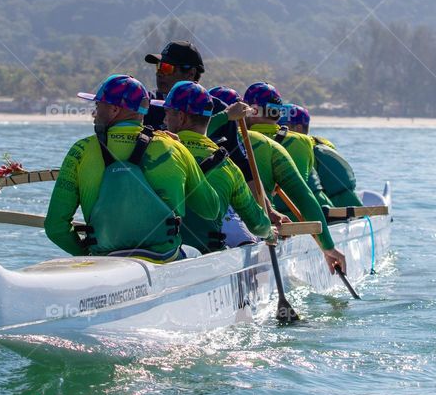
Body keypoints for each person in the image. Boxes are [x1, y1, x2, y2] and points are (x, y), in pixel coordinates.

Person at [44, 74, 221, 262]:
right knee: (194, 254)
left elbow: (55, 227)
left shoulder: (80, 150)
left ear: (113, 109)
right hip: (165, 257)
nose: (94, 113)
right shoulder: (174, 147)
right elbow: (210, 209)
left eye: (97, 106)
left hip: (106, 259)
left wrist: (88, 255)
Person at [210, 86, 347, 274]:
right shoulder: (281, 145)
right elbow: (304, 198)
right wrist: (328, 247)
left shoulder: (174, 141)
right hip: (254, 229)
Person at [162, 81, 273, 253]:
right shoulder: (229, 167)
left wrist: (225, 115)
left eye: (167, 113)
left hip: (165, 255)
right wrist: (270, 233)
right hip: (209, 257)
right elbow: (258, 225)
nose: (164, 119)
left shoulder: (157, 149)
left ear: (181, 117)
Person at [144, 41, 253, 182]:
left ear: (191, 73)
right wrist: (224, 117)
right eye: (158, 67)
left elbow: (242, 165)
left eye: (166, 68)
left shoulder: (216, 107)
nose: (159, 73)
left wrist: (262, 202)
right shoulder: (147, 104)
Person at [244, 83, 333, 209]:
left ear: (252, 111)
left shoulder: (236, 139)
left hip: (263, 216)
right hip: (295, 213)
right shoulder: (305, 141)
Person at [280, 103, 364, 208]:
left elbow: (342, 194)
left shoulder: (321, 152)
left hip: (324, 212)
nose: (277, 130)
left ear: (298, 128)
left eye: (282, 126)